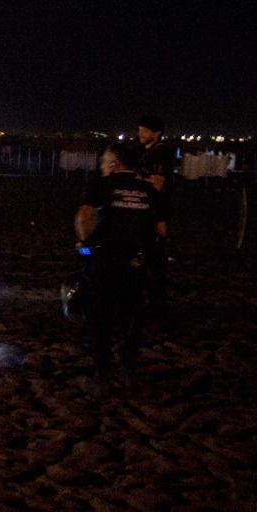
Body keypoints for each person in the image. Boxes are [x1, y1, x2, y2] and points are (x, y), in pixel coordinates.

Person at [75, 140, 164, 390]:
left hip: (105, 258)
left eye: (104, 161)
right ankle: (128, 368)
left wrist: (84, 245)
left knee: (99, 317)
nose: (102, 166)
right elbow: (160, 228)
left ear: (114, 163)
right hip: (136, 261)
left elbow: (85, 215)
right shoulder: (148, 190)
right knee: (131, 316)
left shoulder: (102, 184)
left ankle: (103, 371)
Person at [136, 114, 173, 319]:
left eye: (144, 130)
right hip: (152, 213)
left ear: (156, 133)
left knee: (155, 257)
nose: (140, 134)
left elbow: (158, 184)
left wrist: (134, 177)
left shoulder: (160, 152)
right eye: (139, 129)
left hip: (156, 213)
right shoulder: (149, 152)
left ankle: (157, 304)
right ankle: (153, 300)